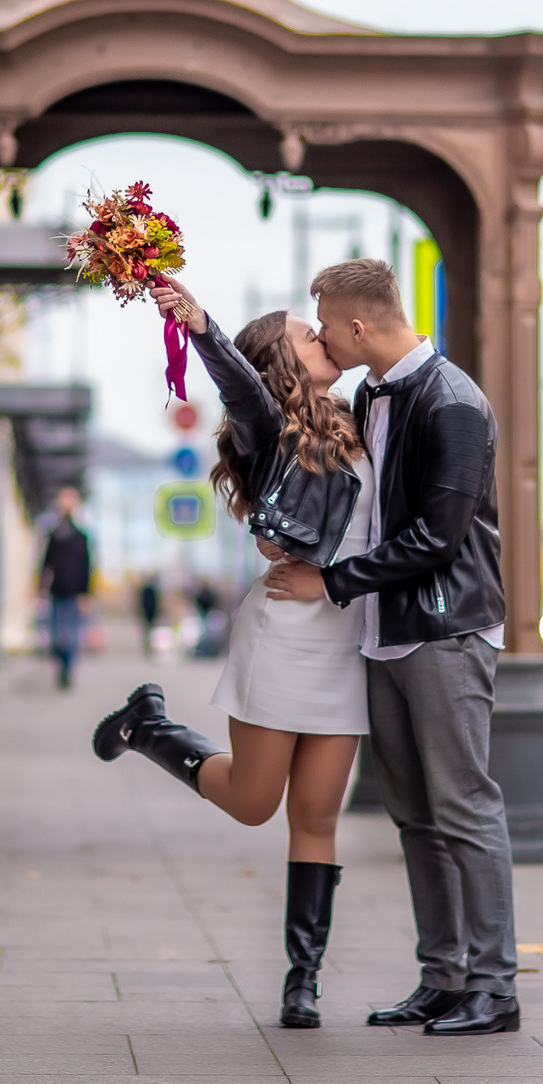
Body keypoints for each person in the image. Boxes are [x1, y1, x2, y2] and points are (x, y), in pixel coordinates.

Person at [90, 281, 369, 1030]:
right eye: (308, 335)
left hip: (345, 643)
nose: (325, 339)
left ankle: (303, 982)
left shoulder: (365, 419)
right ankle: (149, 728)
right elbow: (239, 389)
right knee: (253, 804)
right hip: (282, 636)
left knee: (317, 815)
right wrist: (204, 327)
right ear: (281, 363)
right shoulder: (268, 432)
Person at [260, 259, 519, 1037]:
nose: (324, 340)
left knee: (464, 806)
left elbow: (438, 537)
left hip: (445, 630)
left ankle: (494, 987)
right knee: (414, 814)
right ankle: (443, 977)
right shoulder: (373, 394)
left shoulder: (454, 401)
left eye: (326, 326)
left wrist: (332, 582)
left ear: (359, 325)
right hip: (386, 633)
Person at [38, 488, 92, 690]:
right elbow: (46, 563)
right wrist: (39, 587)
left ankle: (67, 670)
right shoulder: (54, 535)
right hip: (56, 592)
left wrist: (86, 594)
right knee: (55, 635)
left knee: (71, 635)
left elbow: (87, 566)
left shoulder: (81, 537)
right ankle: (61, 664)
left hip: (75, 594)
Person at [137, 574, 163, 654]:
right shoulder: (153, 589)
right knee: (150, 630)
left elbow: (141, 602)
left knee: (148, 630)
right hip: (151, 612)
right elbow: (157, 602)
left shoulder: (145, 589)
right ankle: (150, 646)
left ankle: (149, 646)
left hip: (147, 612)